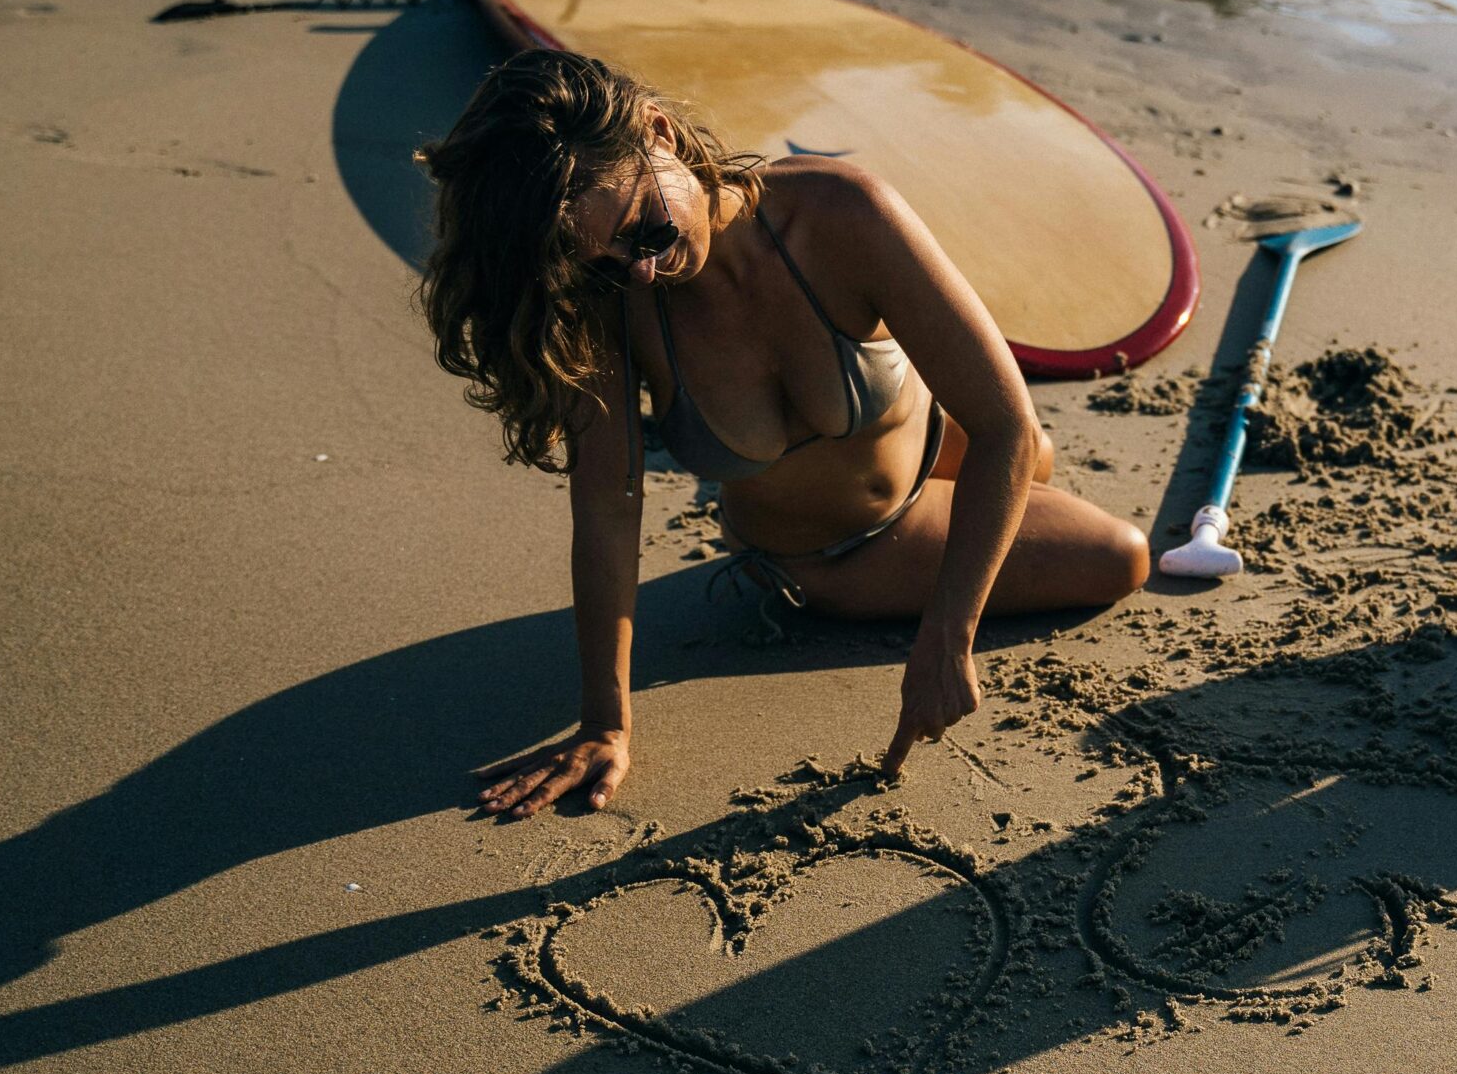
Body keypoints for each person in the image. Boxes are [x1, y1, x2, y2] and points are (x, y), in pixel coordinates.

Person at [419, 49, 1151, 814]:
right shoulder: (612, 307)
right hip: (841, 547)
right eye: (599, 262)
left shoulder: (838, 213)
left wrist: (947, 636)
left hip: (941, 442)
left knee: (1032, 462)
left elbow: (1006, 425)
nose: (638, 271)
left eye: (645, 232)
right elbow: (608, 507)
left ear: (660, 134)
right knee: (1120, 556)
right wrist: (606, 723)